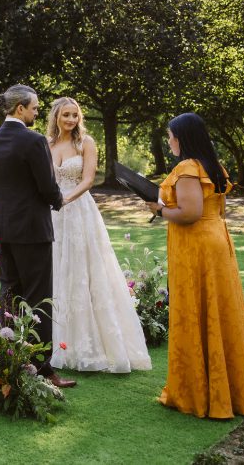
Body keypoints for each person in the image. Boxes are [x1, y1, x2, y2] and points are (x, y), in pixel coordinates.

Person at [144, 113, 244, 419]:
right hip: (217, 241)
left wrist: (159, 210)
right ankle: (228, 391)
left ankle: (198, 394)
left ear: (182, 138)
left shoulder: (187, 168)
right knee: (220, 312)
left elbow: (189, 213)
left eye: (171, 135)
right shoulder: (213, 165)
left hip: (198, 245)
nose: (169, 140)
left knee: (198, 311)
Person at [0, 84, 75, 388]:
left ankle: (8, 358)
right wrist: (57, 200)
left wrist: (10, 198)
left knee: (9, 293)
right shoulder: (33, 141)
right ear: (20, 108)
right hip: (32, 229)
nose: (36, 113)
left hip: (4, 228)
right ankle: (41, 368)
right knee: (39, 298)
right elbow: (47, 187)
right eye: (34, 108)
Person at [46, 97, 150, 373]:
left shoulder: (86, 143)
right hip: (52, 214)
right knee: (57, 269)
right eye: (66, 115)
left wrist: (65, 200)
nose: (71, 120)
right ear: (56, 116)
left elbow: (88, 179)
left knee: (83, 270)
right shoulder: (47, 144)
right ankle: (54, 336)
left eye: (75, 115)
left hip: (78, 209)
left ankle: (92, 342)